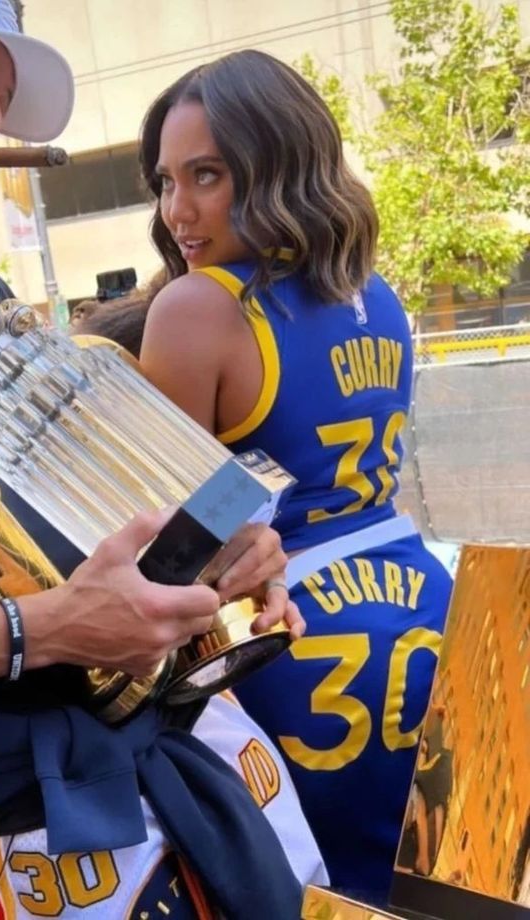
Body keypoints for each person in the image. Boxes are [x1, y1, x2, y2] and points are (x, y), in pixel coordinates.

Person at [0, 5, 326, 917]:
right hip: (13, 837)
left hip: (172, 782)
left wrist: (209, 567)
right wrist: (43, 631)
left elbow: (82, 532)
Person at [135, 49, 454, 903]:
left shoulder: (197, 307)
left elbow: (165, 541)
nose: (178, 210)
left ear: (279, 163)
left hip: (292, 640)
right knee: (442, 886)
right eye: (166, 181)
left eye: (207, 175)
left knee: (318, 895)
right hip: (423, 606)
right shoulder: (376, 293)